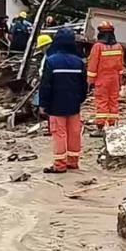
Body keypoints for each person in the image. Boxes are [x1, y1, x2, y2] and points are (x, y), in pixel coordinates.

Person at [38, 28, 87, 173]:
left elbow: (45, 85)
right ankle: (73, 161)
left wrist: (43, 104)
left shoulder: (51, 61)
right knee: (74, 133)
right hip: (74, 105)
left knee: (59, 133)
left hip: (56, 105)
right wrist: (79, 100)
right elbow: (84, 86)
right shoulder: (79, 62)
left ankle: (60, 165)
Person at [87, 21, 124, 137]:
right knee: (113, 102)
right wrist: (120, 81)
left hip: (102, 80)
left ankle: (100, 128)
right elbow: (120, 66)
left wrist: (90, 82)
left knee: (102, 103)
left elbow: (93, 66)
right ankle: (112, 126)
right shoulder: (119, 46)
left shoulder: (97, 47)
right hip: (114, 79)